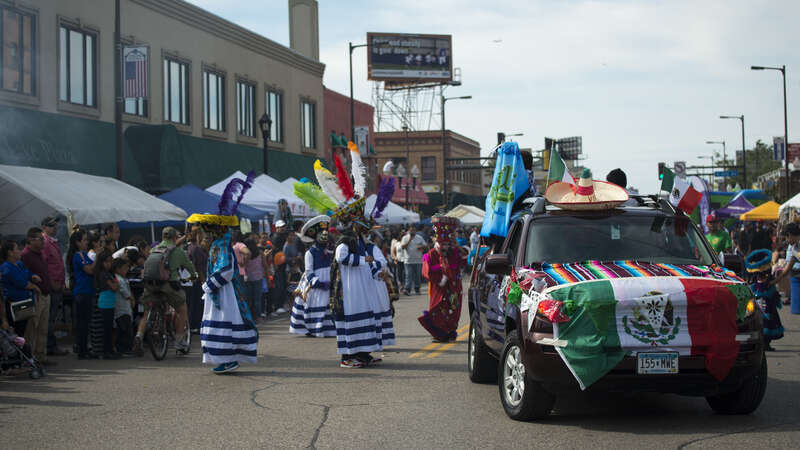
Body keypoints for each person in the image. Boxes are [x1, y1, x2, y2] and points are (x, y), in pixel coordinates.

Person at [187, 172, 259, 374]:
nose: (204, 233)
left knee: (225, 323)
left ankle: (229, 359)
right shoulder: (217, 244)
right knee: (220, 323)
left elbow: (226, 270)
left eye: (207, 230)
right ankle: (225, 359)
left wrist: (208, 285)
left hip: (225, 293)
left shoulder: (223, 244)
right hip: (219, 292)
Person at [133, 227, 197, 356]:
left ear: (162, 237)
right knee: (182, 309)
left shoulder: (153, 250)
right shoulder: (178, 251)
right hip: (168, 285)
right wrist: (193, 276)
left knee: (146, 313)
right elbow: (190, 267)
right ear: (174, 238)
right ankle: (179, 342)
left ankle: (139, 336)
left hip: (150, 285)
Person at [418, 216, 466, 342]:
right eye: (443, 244)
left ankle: (450, 331)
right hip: (439, 288)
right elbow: (426, 271)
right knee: (438, 309)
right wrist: (440, 278)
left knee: (454, 308)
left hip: (454, 287)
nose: (446, 247)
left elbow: (464, 262)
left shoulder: (454, 251)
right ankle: (440, 333)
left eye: (448, 244)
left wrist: (457, 247)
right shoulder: (431, 254)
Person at [290, 216, 336, 337]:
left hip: (329, 280)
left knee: (329, 305)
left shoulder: (330, 250)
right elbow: (309, 271)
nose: (325, 236)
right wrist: (318, 283)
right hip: (316, 283)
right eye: (321, 234)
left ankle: (328, 329)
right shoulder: (309, 252)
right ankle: (315, 328)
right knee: (317, 304)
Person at [19, 227, 53, 364]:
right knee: (32, 328)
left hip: (45, 295)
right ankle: (30, 357)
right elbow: (22, 276)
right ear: (31, 240)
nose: (43, 242)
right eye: (40, 239)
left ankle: (41, 356)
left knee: (43, 329)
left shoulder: (40, 254)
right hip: (35, 296)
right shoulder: (25, 255)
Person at [1, 240, 42, 342]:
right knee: (17, 332)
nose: (20, 251)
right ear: (10, 252)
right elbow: (21, 282)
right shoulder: (6, 267)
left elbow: (27, 273)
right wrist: (34, 287)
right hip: (15, 305)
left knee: (25, 331)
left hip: (26, 303)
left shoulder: (19, 264)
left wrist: (33, 276)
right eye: (17, 249)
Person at [66, 230, 97, 359]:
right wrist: (98, 257)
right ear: (77, 242)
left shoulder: (84, 254)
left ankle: (83, 348)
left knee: (86, 322)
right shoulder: (78, 255)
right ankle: (82, 350)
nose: (87, 242)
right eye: (84, 240)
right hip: (82, 292)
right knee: (82, 323)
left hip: (87, 291)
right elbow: (89, 270)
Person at [41, 217, 69, 356]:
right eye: (51, 226)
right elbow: (45, 265)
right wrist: (52, 283)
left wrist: (62, 283)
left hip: (58, 285)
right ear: (44, 227)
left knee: (52, 318)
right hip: (51, 286)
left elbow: (57, 265)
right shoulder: (45, 243)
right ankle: (50, 346)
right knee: (49, 319)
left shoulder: (52, 242)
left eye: (55, 225)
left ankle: (50, 345)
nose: (55, 228)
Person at [745, 249, 783, 351]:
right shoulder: (757, 284)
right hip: (761, 306)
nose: (762, 277)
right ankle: (763, 344)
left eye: (764, 276)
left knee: (768, 324)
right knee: (762, 325)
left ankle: (766, 344)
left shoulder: (767, 283)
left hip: (768, 306)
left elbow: (774, 295)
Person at [94, 250, 120, 359]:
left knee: (109, 328)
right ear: (102, 262)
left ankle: (109, 350)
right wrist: (116, 284)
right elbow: (114, 287)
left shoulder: (109, 273)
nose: (109, 264)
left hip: (110, 303)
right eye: (106, 262)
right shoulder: (103, 274)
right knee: (107, 329)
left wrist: (116, 284)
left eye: (110, 262)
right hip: (105, 304)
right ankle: (106, 352)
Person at [772, 223, 800, 314]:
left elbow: (786, 271)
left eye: (786, 238)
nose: (787, 241)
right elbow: (787, 270)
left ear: (790, 235)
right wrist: (773, 282)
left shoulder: (796, 248)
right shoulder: (795, 248)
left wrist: (772, 282)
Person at [187, 233, 210, 332]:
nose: (207, 242)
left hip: (200, 279)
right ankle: (194, 325)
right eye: (206, 239)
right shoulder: (196, 249)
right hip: (198, 280)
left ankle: (197, 324)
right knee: (196, 304)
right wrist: (203, 281)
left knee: (198, 304)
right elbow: (199, 267)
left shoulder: (201, 249)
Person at [112, 258, 134, 354]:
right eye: (125, 268)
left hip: (125, 309)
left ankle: (125, 348)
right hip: (121, 310)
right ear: (118, 269)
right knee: (124, 330)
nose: (127, 270)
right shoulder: (119, 279)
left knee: (126, 329)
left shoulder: (123, 279)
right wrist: (132, 299)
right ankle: (124, 349)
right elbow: (126, 293)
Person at [400, 225, 427, 295]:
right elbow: (402, 247)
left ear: (416, 231)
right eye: (411, 230)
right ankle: (407, 289)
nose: (412, 232)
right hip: (408, 260)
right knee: (408, 275)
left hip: (418, 260)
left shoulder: (419, 238)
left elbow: (425, 245)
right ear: (409, 231)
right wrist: (409, 240)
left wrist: (421, 246)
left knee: (417, 275)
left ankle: (417, 288)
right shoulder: (405, 238)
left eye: (414, 230)